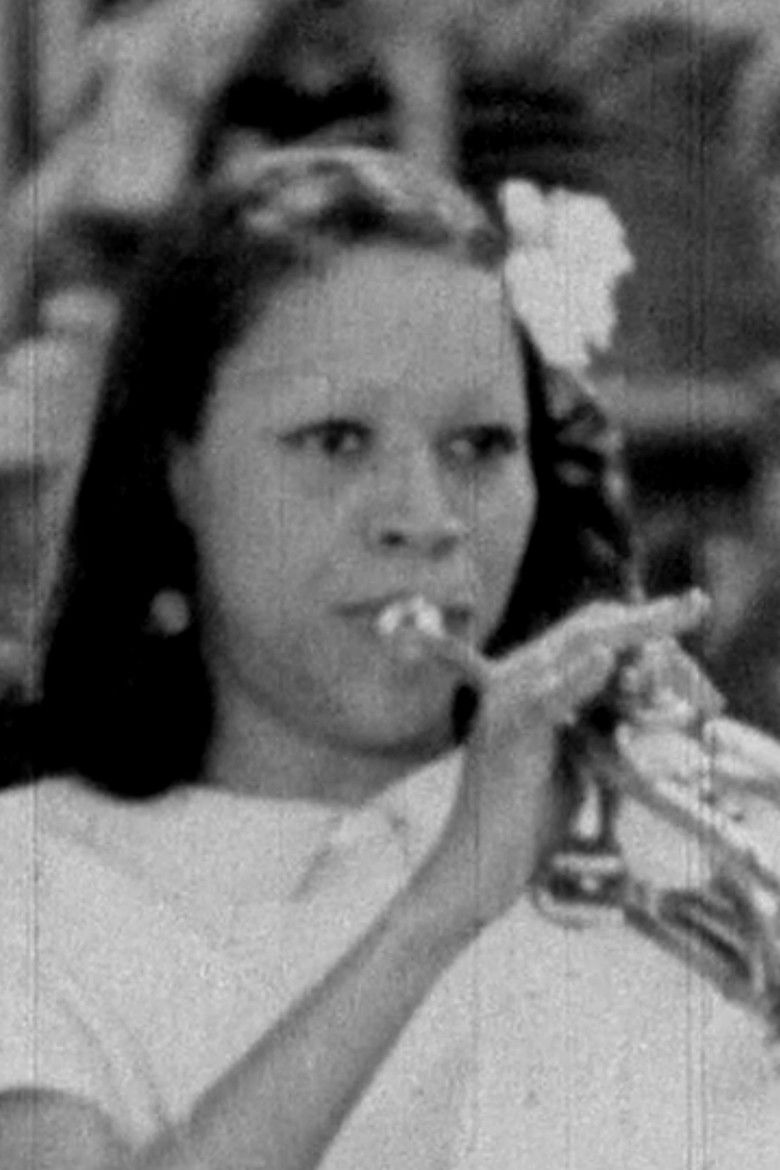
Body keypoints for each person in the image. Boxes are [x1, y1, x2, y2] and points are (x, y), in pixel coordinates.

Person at [1, 146, 778, 1170]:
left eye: (479, 447)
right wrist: (442, 905)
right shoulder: (38, 876)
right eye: (337, 442)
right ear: (174, 470)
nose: (425, 516)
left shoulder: (684, 823)